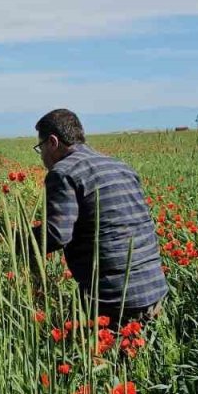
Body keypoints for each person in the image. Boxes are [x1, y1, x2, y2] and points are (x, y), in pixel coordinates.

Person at [33, 108, 169, 325]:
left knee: (91, 353)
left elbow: (56, 234)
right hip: (154, 289)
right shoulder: (120, 165)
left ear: (53, 142)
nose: (41, 155)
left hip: (113, 298)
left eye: (39, 147)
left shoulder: (63, 172)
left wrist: (19, 239)